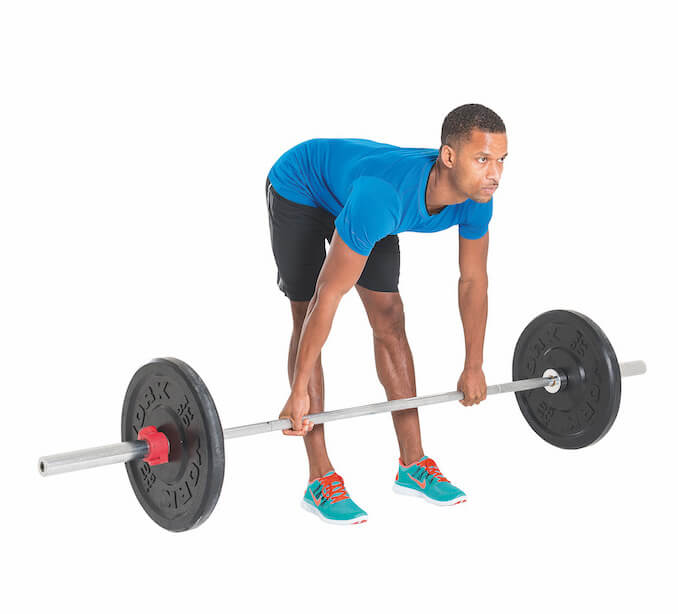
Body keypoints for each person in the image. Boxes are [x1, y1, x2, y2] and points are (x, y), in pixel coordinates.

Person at [265, 103, 507, 524]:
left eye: (501, 160)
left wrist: (474, 366)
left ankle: (412, 464)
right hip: (302, 187)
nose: (495, 175)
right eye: (483, 159)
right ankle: (320, 477)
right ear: (449, 158)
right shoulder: (385, 197)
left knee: (390, 318)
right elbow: (329, 295)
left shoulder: (476, 196)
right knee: (308, 314)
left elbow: (473, 282)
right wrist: (298, 389)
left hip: (357, 191)